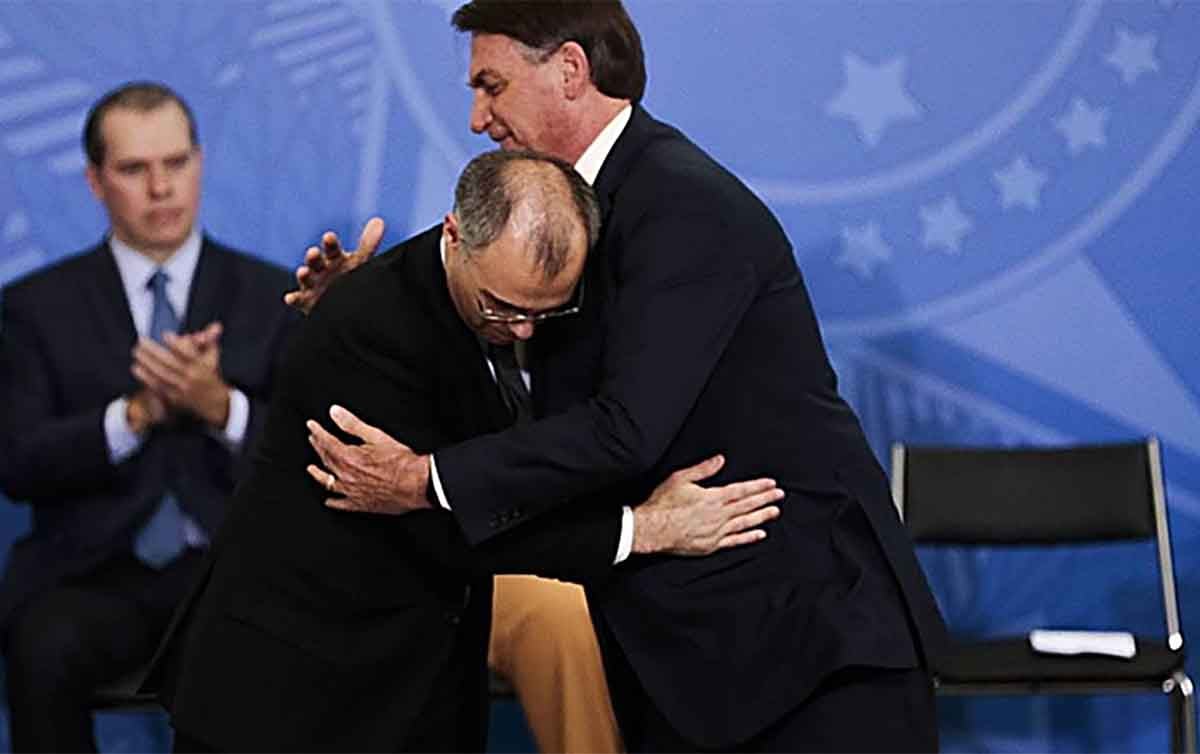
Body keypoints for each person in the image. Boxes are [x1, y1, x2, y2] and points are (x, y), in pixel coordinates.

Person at [294, 2, 951, 751]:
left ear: (569, 70)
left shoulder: (682, 205)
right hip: (689, 656)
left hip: (807, 656)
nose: (477, 118)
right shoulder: (558, 217)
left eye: (492, 85)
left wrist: (423, 480)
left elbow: (626, 430)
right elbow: (497, 332)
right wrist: (368, 304)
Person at [153, 149, 783, 752]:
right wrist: (640, 530)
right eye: (502, 308)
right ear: (455, 235)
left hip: (408, 688)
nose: (523, 331)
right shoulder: (367, 333)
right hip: (286, 698)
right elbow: (450, 525)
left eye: (546, 312)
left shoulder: (503, 308)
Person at [0, 81, 295, 752]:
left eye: (176, 163)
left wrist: (219, 407)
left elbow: (310, 459)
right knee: (42, 647)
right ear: (96, 181)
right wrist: (133, 417)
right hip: (90, 574)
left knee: (246, 652)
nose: (161, 187)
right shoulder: (34, 308)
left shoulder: (274, 296)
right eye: (134, 169)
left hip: (230, 570)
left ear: (200, 161)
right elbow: (17, 463)